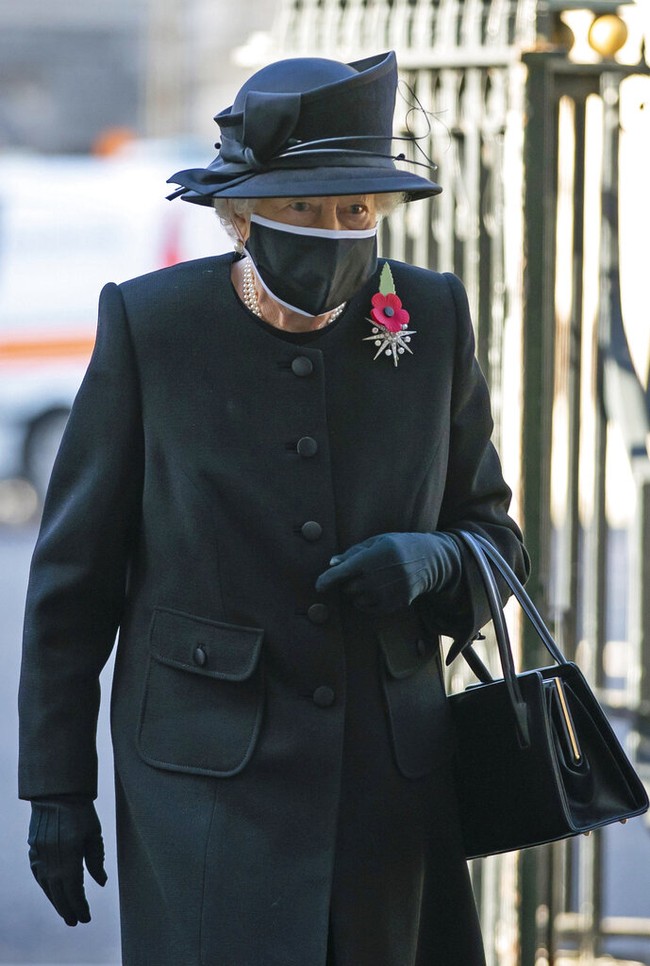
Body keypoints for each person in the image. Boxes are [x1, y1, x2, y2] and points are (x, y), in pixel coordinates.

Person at [18, 50, 528, 966]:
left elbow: (494, 537)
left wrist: (433, 558)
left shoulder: (431, 314)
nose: (336, 231)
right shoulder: (151, 326)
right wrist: (56, 787)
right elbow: (74, 579)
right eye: (303, 209)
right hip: (205, 782)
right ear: (241, 218)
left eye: (356, 211)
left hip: (389, 779)